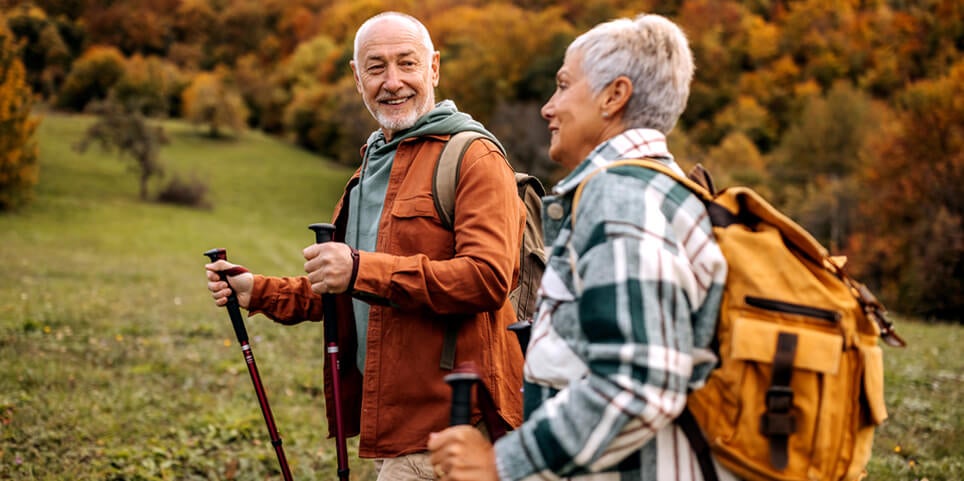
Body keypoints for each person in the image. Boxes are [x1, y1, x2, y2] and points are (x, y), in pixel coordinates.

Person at [205, 11, 525, 480]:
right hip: (392, 421)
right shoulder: (370, 168)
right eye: (376, 68)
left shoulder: (474, 157)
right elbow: (348, 286)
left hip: (458, 422)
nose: (392, 82)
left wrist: (359, 269)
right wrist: (258, 291)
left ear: (434, 67)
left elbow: (487, 279)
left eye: (407, 63)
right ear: (358, 78)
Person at [428, 13, 738, 481]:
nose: (547, 108)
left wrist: (502, 461)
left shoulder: (621, 198)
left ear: (614, 96)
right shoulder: (662, 189)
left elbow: (636, 384)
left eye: (563, 86)